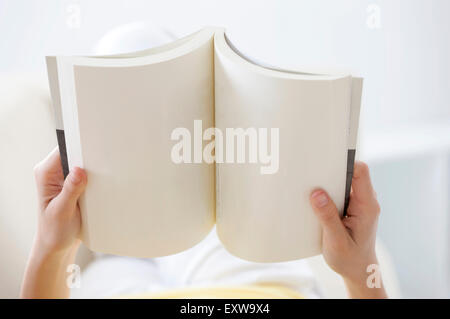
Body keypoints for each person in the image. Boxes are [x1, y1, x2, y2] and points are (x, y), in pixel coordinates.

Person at [20, 148, 387, 299]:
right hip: (259, 290)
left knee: (131, 44)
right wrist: (360, 268)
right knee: (136, 41)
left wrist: (54, 247)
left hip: (121, 288)